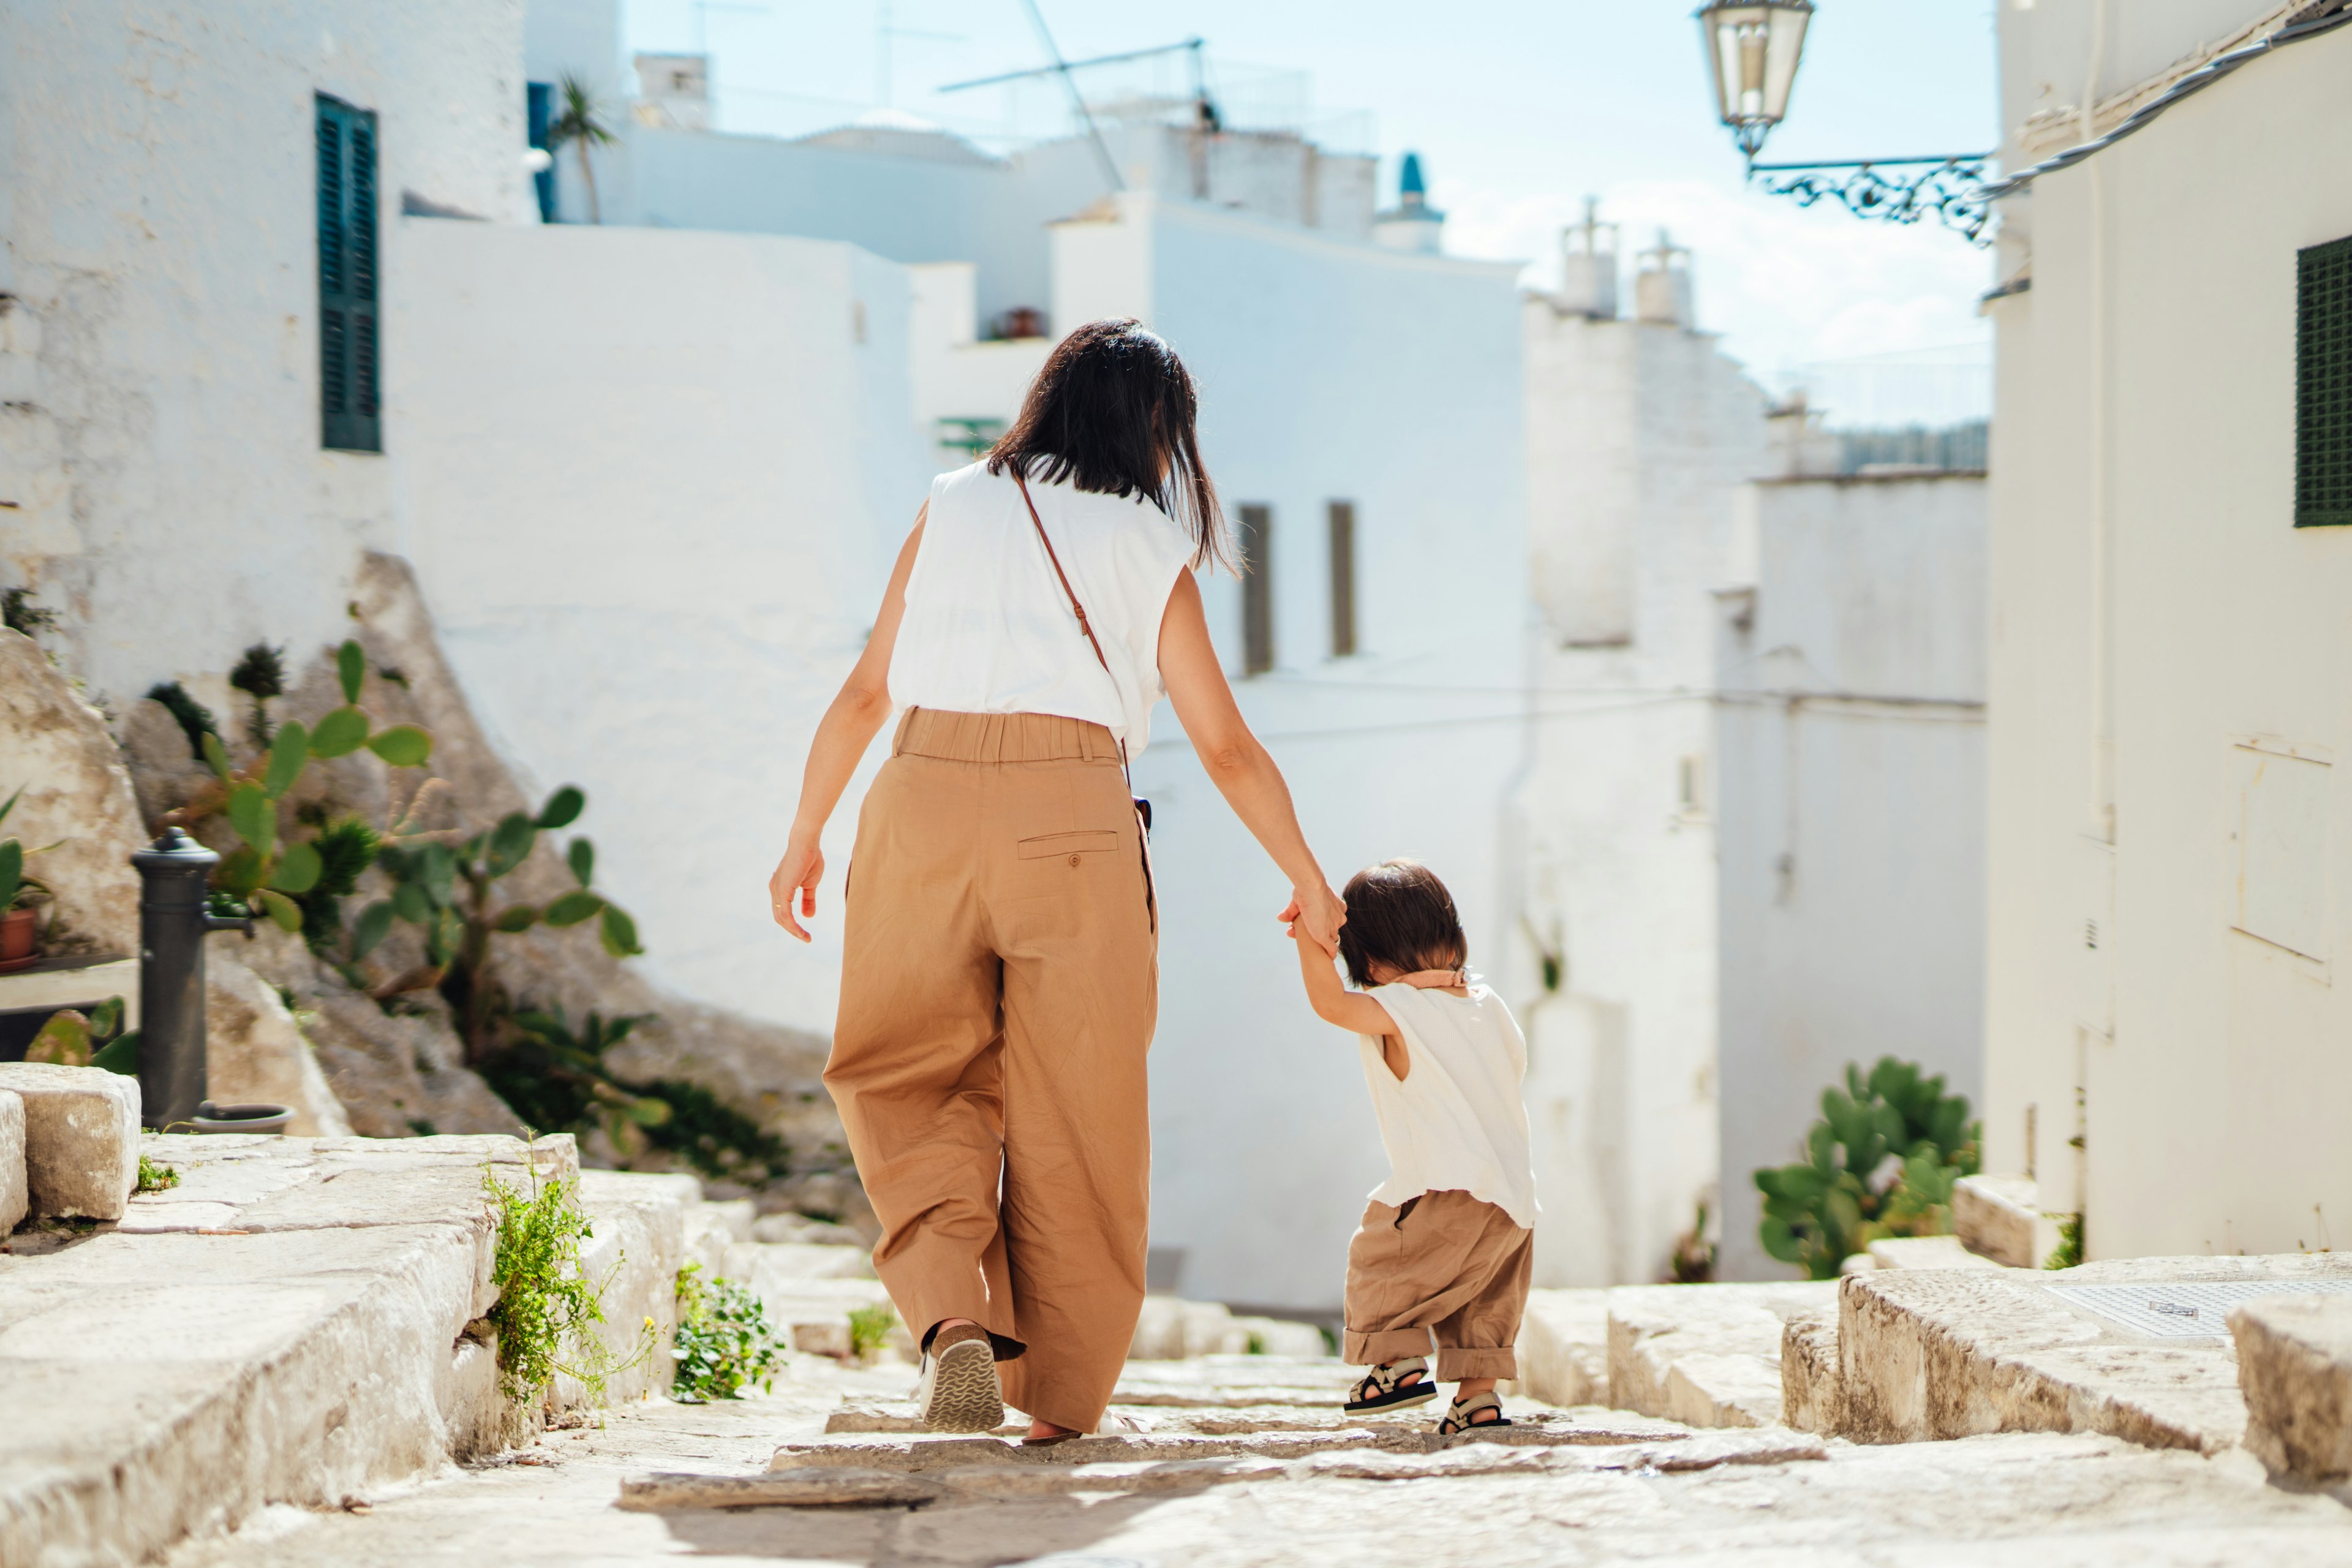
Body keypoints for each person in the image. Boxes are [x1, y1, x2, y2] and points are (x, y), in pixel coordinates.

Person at [768, 319, 1348, 1445]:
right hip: (1075, 815)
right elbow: (1225, 745)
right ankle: (1065, 1401)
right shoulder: (1149, 542)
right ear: (1157, 432)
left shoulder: (955, 500)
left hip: (919, 801)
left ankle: (952, 1328)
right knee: (1080, 1114)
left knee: (906, 1075)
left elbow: (863, 693)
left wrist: (806, 834)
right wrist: (1309, 881)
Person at [1286, 858, 1538, 1434]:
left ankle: (1397, 1363)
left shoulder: (1398, 1009)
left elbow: (1329, 1004)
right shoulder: (1488, 1005)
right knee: (1484, 1300)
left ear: (1369, 963)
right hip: (1514, 1201)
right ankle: (1478, 1399)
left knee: (1380, 1262)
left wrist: (1307, 931)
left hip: (1442, 1188)